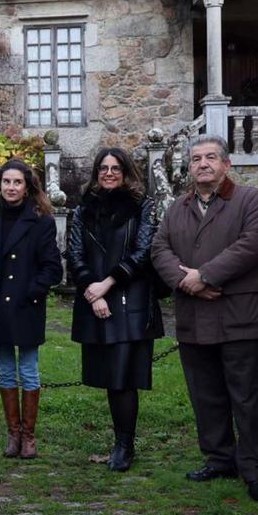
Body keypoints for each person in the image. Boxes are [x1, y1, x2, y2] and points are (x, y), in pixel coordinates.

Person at [151, 134, 258, 503]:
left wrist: (203, 276)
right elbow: (159, 248)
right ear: (189, 167)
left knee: (248, 398)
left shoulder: (250, 200)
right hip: (194, 318)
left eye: (210, 158)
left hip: (236, 315)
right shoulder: (178, 207)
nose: (202, 164)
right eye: (196, 159)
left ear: (226, 164)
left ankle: (255, 470)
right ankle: (220, 458)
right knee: (206, 396)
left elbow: (253, 243)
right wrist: (186, 282)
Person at [66, 148, 164, 472]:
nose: (109, 173)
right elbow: (75, 254)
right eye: (103, 168)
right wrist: (93, 294)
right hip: (96, 301)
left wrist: (106, 284)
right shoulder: (82, 210)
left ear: (125, 172)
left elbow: (142, 252)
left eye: (115, 168)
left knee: (124, 377)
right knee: (111, 377)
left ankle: (125, 445)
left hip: (130, 300)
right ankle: (120, 440)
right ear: (96, 173)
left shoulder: (142, 207)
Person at [0, 158, 63, 459]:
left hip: (26, 305)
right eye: (6, 182)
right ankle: (12, 435)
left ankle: (29, 437)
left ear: (28, 187)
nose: (11, 187)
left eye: (17, 182)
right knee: (4, 371)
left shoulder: (41, 220)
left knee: (28, 370)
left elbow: (53, 268)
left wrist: (32, 291)